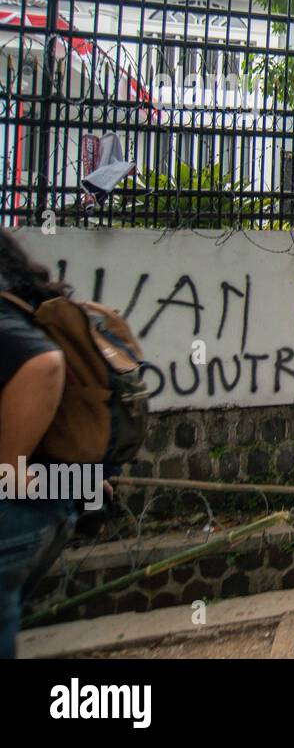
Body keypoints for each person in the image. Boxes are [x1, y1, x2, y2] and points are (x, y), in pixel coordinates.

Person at [0, 230, 80, 659]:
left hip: (19, 500)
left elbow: (43, 364)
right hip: (52, 490)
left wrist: (8, 467)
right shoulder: (23, 301)